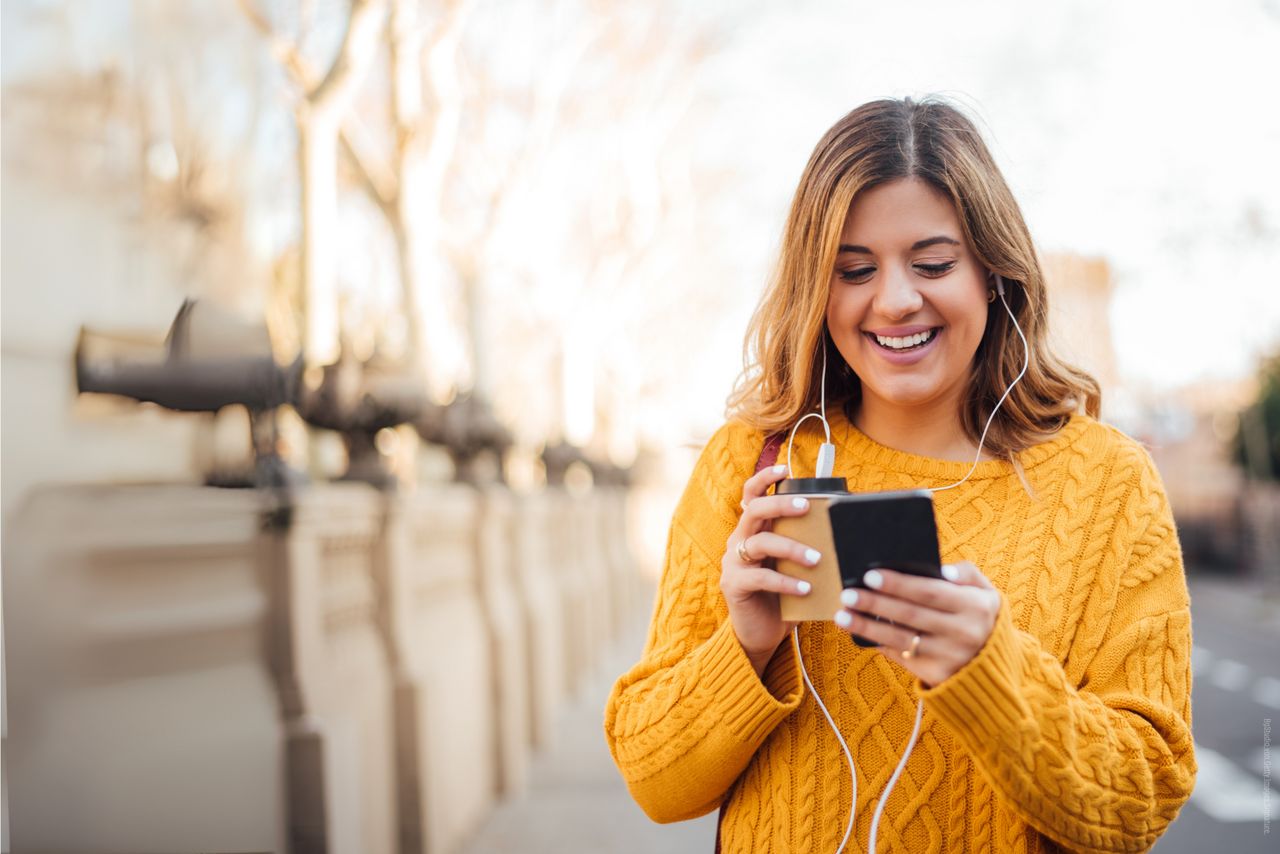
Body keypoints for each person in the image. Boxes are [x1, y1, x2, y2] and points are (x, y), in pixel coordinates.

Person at [604, 96, 1196, 853]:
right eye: (854, 270)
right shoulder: (749, 463)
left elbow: (1141, 801)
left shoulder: (1110, 483)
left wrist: (990, 672)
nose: (895, 300)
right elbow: (655, 783)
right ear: (816, 290)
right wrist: (745, 642)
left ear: (993, 272)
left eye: (934, 264)